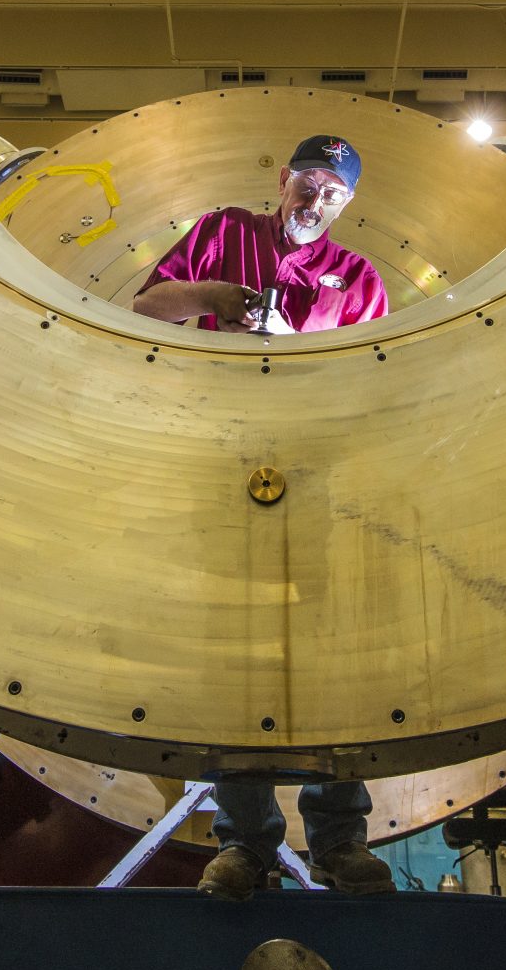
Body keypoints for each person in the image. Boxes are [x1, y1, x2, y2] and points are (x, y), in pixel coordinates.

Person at [133, 134, 395, 899]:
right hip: (223, 462)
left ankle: (340, 841)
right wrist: (215, 298)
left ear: (347, 203)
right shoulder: (225, 232)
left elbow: (373, 382)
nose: (316, 200)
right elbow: (147, 306)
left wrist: (301, 354)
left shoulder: (359, 279)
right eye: (308, 182)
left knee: (326, 654)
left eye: (332, 192)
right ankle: (245, 844)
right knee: (234, 653)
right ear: (283, 180)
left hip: (313, 476)